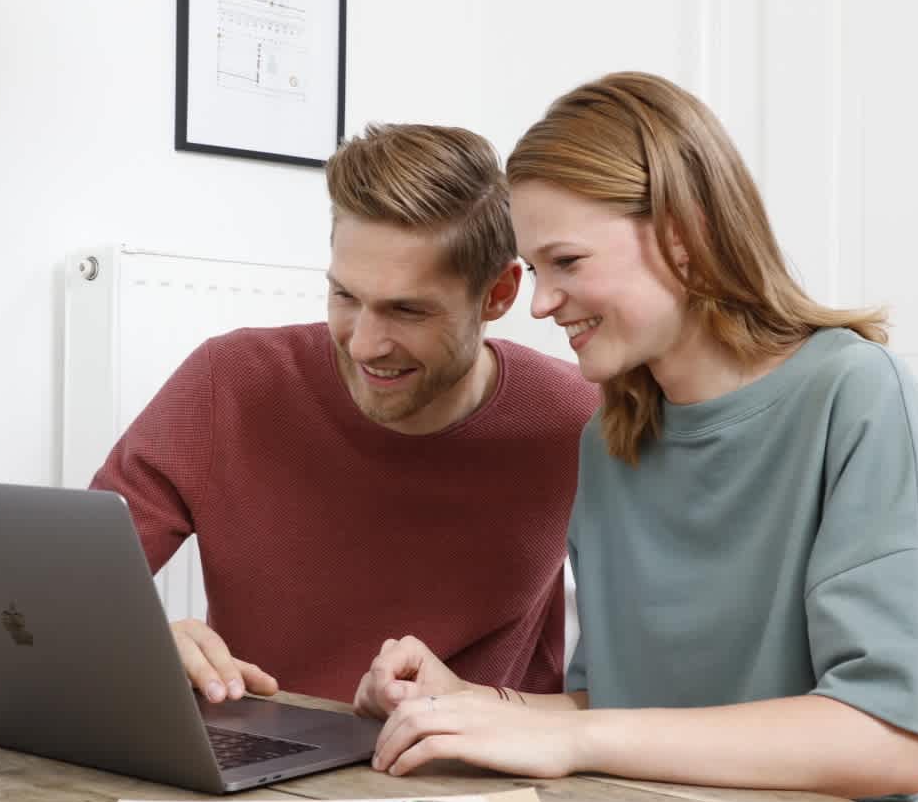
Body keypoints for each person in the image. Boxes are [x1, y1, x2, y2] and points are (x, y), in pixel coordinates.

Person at [353, 74, 918, 802]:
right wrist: (478, 706)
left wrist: (572, 736)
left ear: (686, 239)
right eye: (537, 270)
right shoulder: (614, 437)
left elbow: (893, 736)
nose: (542, 304)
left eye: (568, 263)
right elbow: (623, 705)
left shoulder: (854, 394)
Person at [91, 123, 597, 704]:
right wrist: (140, 641)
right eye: (345, 297)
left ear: (499, 295)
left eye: (407, 311)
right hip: (264, 762)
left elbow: (632, 678)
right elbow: (59, 593)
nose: (362, 345)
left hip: (475, 772)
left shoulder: (578, 422)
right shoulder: (227, 382)